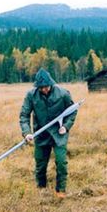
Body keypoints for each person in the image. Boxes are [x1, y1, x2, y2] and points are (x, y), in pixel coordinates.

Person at [19, 69, 78, 197]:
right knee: (40, 163)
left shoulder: (63, 94)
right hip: (41, 134)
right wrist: (27, 132)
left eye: (46, 87)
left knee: (61, 162)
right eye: (41, 87)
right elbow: (24, 115)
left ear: (51, 83)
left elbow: (72, 111)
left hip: (59, 134)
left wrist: (66, 126)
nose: (44, 89)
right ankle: (41, 188)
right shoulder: (31, 95)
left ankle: (60, 190)